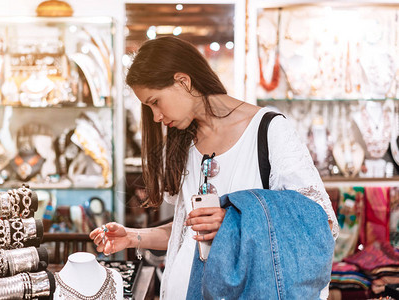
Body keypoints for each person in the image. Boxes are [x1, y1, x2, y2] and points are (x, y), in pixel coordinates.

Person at [90, 36, 339, 299]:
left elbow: (320, 220)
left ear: (183, 82)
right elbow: (188, 233)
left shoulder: (269, 131)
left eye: (155, 102)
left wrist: (235, 219)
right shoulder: (182, 143)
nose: (156, 117)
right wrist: (132, 237)